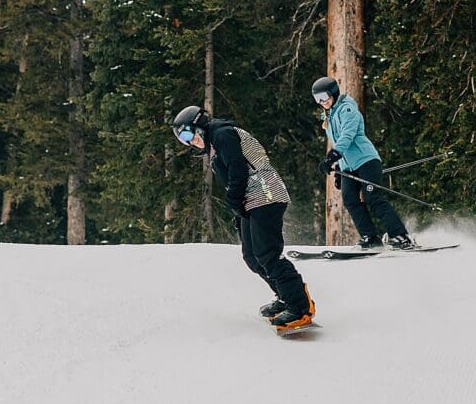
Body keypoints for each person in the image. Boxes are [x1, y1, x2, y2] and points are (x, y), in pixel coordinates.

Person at [171, 105, 315, 332]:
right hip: (252, 199)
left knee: (267, 254)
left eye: (188, 134)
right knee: (252, 257)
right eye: (182, 140)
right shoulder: (213, 144)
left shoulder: (222, 134)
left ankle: (300, 306)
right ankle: (285, 296)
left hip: (266, 194)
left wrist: (235, 200)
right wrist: (238, 208)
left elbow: (237, 169)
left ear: (199, 125)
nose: (189, 142)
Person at [311, 76, 416, 250]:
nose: (322, 102)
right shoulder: (329, 116)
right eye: (317, 99)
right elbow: (338, 142)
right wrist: (339, 168)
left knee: (373, 198)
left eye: (324, 96)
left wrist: (331, 157)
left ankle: (400, 236)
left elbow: (347, 136)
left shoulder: (347, 109)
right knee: (350, 200)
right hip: (348, 166)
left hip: (366, 161)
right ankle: (370, 237)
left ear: (334, 93)